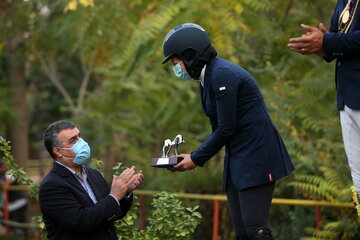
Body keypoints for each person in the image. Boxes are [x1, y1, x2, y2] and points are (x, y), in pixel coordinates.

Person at [162, 23, 295, 240]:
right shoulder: (206, 80)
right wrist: (192, 157)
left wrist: (196, 158)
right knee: (242, 232)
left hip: (257, 157)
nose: (176, 68)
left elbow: (226, 128)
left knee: (256, 230)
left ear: (190, 56)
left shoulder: (223, 75)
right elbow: (219, 129)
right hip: (237, 160)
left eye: (176, 62)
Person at [287, 0, 360, 210]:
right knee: (357, 178)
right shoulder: (343, 1)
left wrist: (328, 42)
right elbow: (337, 37)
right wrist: (321, 47)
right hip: (347, 96)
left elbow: (335, 40)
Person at [39, 120, 143, 240]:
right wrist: (114, 196)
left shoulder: (93, 174)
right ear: (58, 151)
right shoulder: (52, 186)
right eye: (73, 140)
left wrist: (125, 192)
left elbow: (110, 213)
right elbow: (81, 222)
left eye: (79, 136)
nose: (81, 142)